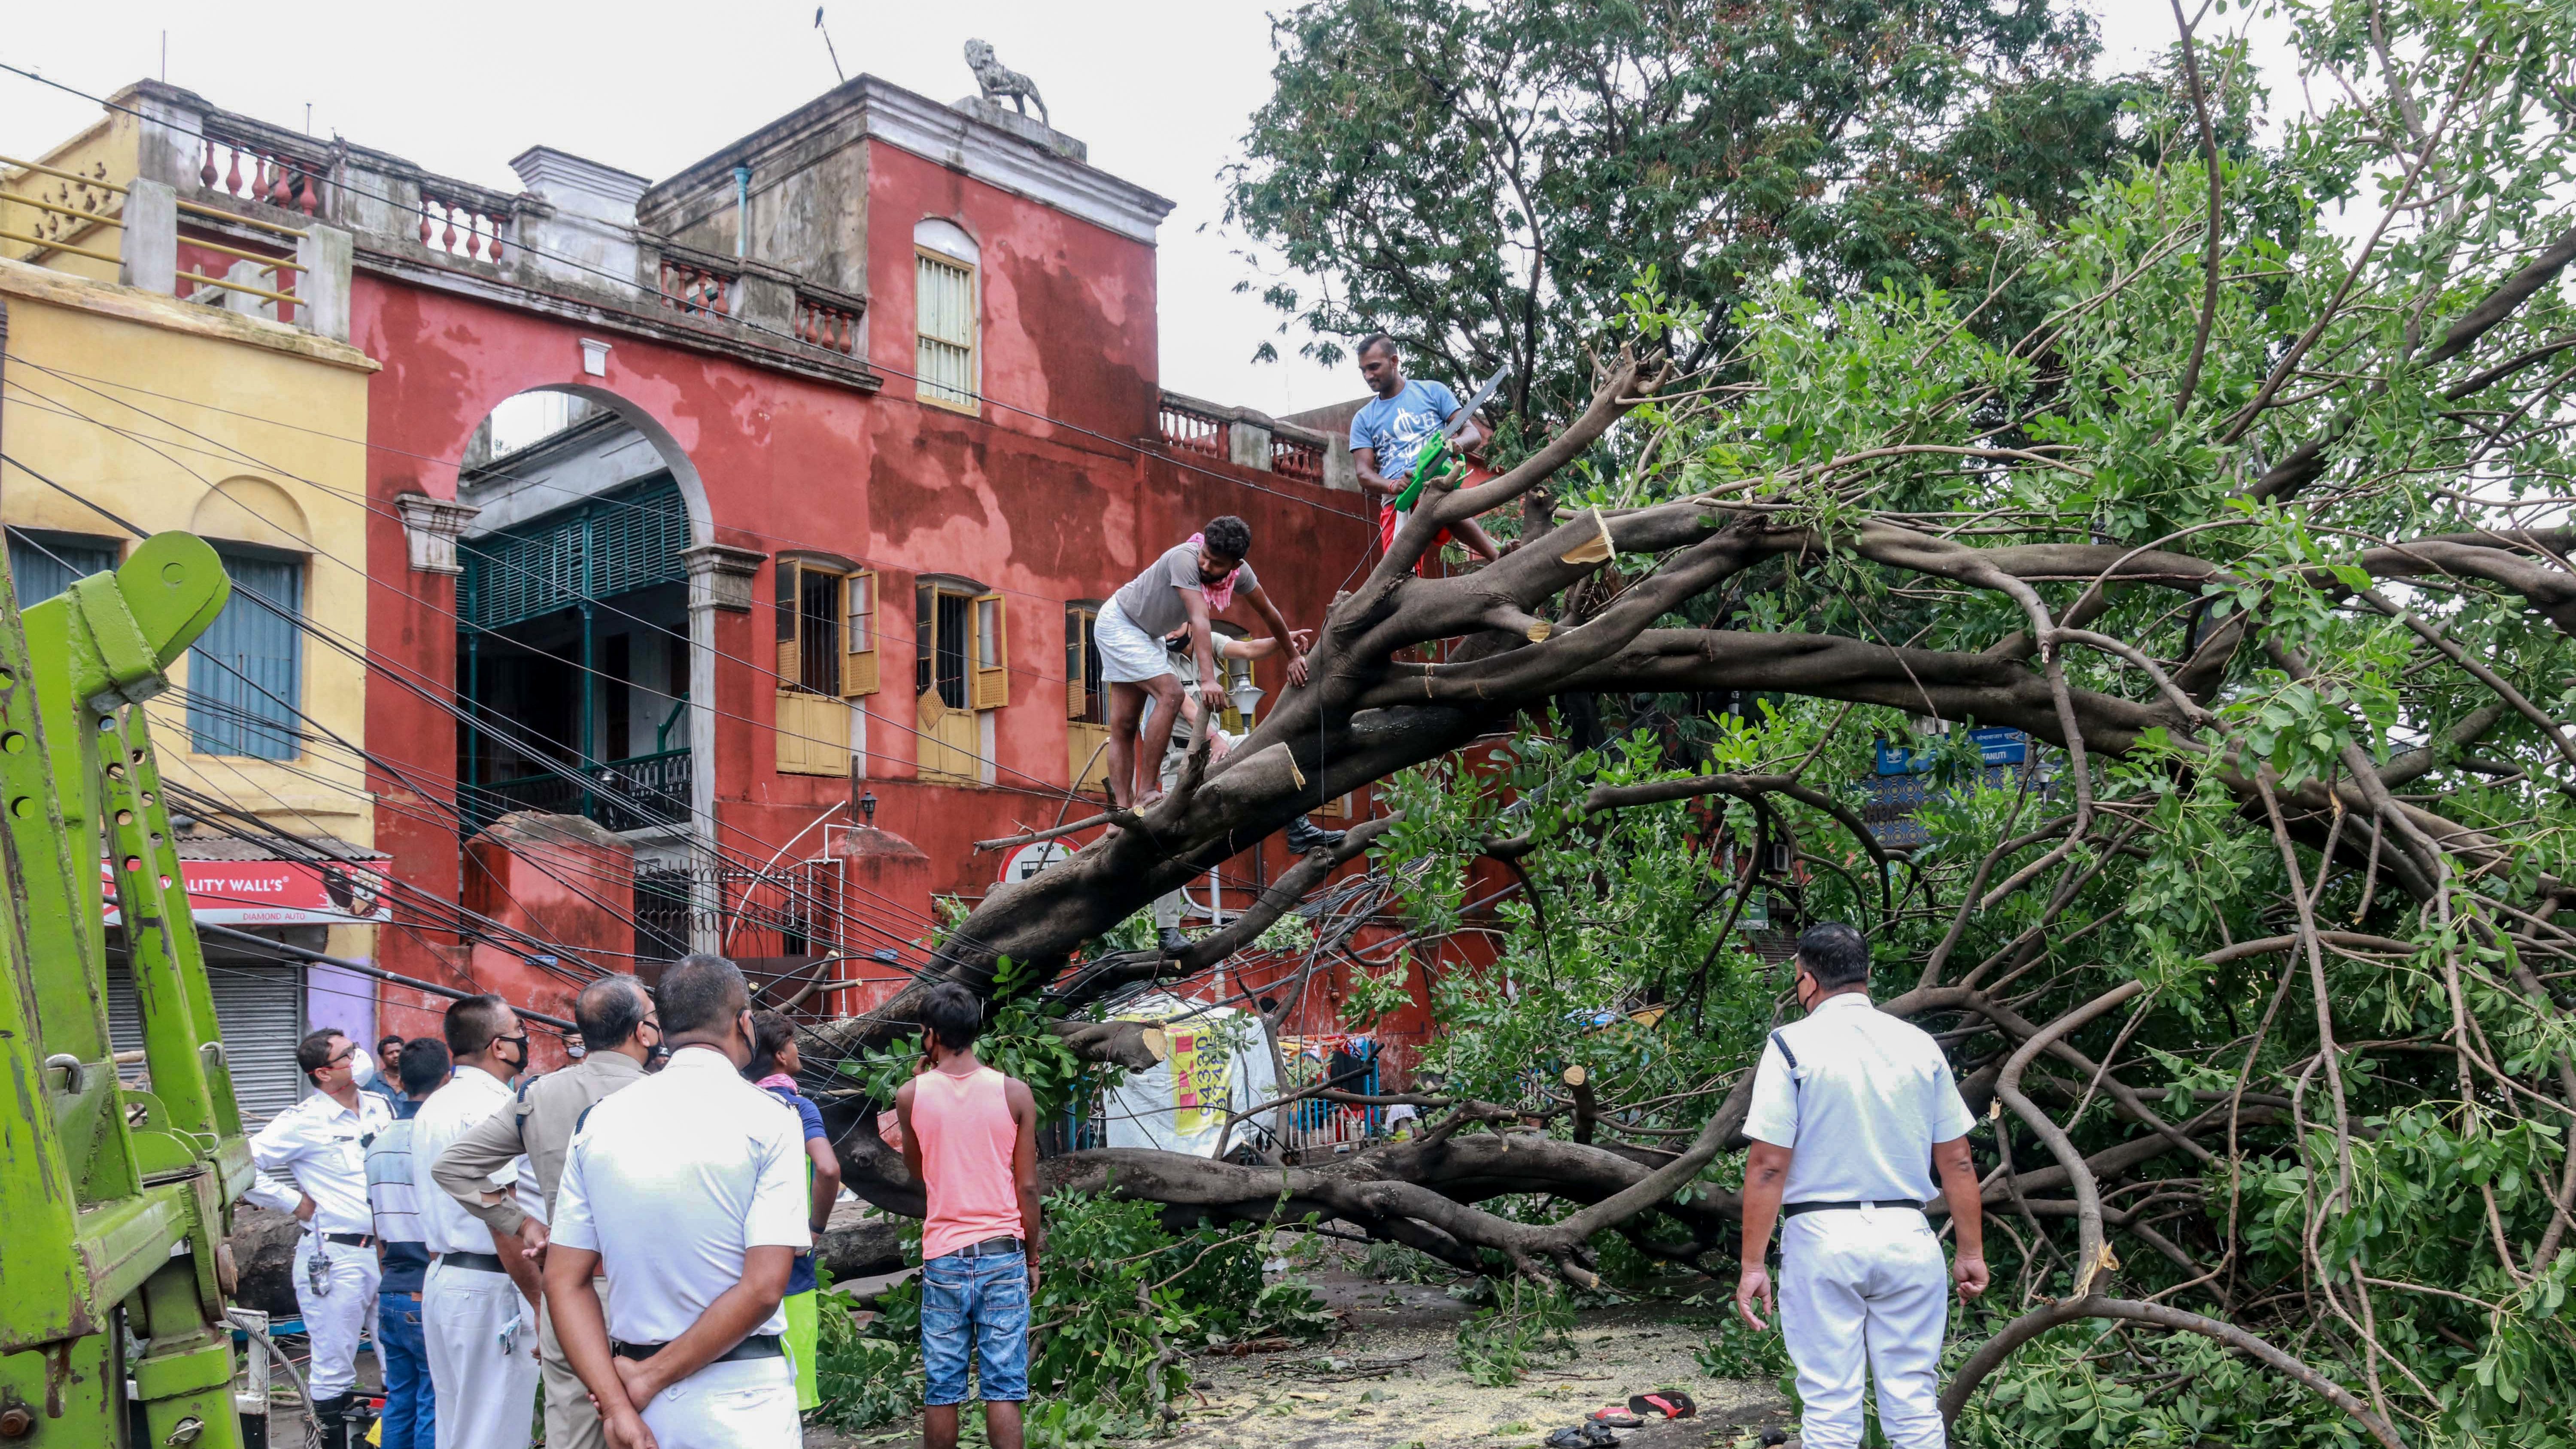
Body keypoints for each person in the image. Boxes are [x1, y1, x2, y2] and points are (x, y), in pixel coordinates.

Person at [1734, 922, 1990, 1449]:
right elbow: (1959, 1163)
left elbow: (1766, 1167)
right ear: (1868, 975)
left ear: (1805, 979)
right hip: (1908, 1234)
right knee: (1915, 1405)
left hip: (1822, 1237)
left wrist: (1753, 1266)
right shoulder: (1920, 1046)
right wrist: (1970, 1251)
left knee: (1830, 1407)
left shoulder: (1790, 1046)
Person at [546, 955, 811, 1449]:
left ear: (661, 1030)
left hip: (638, 1405)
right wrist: (647, 1381)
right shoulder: (771, 1119)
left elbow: (563, 1281)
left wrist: (621, 1402)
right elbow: (764, 1288)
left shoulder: (598, 1123)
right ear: (743, 1023)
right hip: (741, 1401)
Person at [432, 977, 659, 1449]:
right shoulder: (665, 1097)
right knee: (656, 1424)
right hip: (651, 1290)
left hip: (567, 1290)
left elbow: (454, 1168)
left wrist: (523, 1223)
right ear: (643, 1032)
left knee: (574, 1431)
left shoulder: (537, 1097)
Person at [896, 982, 1045, 1449]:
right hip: (1003, 1252)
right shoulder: (1016, 1093)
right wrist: (1033, 1256)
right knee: (1004, 1386)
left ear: (930, 1034)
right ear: (976, 1030)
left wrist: (920, 1087)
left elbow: (919, 1170)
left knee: (943, 1387)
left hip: (945, 1256)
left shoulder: (910, 1096)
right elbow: (1027, 1186)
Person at [1143, 625, 1342, 954]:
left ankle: (1299, 829)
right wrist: (1214, 737)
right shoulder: (1156, 656)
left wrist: (1284, 641)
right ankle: (1167, 931)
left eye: (1174, 624)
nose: (1167, 632)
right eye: (1162, 626)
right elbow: (1186, 708)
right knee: (1168, 847)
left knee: (1279, 751)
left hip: (1219, 746)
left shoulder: (1206, 641)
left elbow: (1246, 649)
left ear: (1190, 622)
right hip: (1179, 756)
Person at [1096, 516, 1309, 816]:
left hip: (1148, 635)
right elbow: (1199, 618)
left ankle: (1122, 814)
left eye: (1216, 563)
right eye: (1205, 556)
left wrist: (1292, 655)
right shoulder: (1185, 558)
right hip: (1120, 623)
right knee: (1169, 695)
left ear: (1235, 566)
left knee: (1127, 722)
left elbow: (1268, 612)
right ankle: (1141, 795)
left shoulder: (1242, 575)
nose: (1206, 566)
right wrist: (1208, 681)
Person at [249, 1030, 393, 1449]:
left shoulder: (380, 1107)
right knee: (334, 1366)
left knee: (400, 1359)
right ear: (324, 1072)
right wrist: (295, 1203)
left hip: (388, 1252)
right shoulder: (304, 1121)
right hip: (336, 1255)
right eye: (348, 1054)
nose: (359, 1056)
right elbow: (244, 1164)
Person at [412, 993, 543, 1449]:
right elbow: (500, 1216)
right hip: (494, 1287)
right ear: (499, 1047)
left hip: (449, 1279)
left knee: (461, 1428)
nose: (526, 1039)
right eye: (519, 1032)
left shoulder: (438, 1103)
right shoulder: (491, 1106)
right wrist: (543, 1304)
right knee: (494, 1431)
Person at [743, 1009, 844, 1414]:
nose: (797, 1048)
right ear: (781, 1056)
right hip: (791, 1263)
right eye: (793, 1042)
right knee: (792, 1397)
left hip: (738, 1268)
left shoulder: (734, 1106)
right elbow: (828, 1168)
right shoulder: (798, 1108)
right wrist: (815, 1228)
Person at [367, 1038, 454, 1449]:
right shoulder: (434, 1137)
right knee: (433, 1399)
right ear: (447, 1080)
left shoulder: (378, 1142)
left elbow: (377, 1225)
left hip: (392, 1290)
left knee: (400, 1399)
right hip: (425, 1286)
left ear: (399, 1079)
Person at [1348, 334, 1501, 567]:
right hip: (1399, 499)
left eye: (1374, 367)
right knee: (1394, 574)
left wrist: (1454, 446)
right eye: (1363, 371)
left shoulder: (1433, 391)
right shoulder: (1363, 418)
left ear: (1394, 361)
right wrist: (1393, 485)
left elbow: (1472, 434)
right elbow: (1363, 473)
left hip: (1437, 484)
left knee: (1443, 500)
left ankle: (1498, 558)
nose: (1368, 376)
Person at [365, 1033, 410, 1112]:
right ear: (382, 1057)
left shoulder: (415, 1079)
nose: (396, 1055)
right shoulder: (371, 1082)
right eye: (390, 1053)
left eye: (398, 1051)